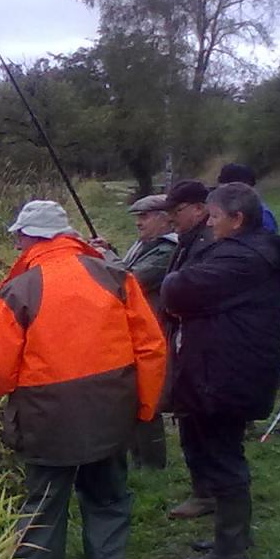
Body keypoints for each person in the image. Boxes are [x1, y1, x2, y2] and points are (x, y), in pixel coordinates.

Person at [0, 201, 166, 559]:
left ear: (32, 238)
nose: (16, 245)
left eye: (19, 237)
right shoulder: (116, 276)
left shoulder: (19, 289)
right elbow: (151, 348)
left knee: (43, 508)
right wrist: (143, 409)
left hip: (47, 419)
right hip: (111, 411)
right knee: (109, 500)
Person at [160, 183, 280, 559]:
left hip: (228, 372)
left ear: (237, 220)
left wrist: (174, 284)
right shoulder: (247, 251)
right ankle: (233, 534)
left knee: (223, 457)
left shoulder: (242, 259)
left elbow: (180, 288)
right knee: (224, 450)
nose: (211, 224)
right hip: (228, 366)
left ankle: (230, 550)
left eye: (215, 217)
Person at [97, 193, 177, 468]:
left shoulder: (167, 250)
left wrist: (105, 256)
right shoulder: (147, 245)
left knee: (150, 396)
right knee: (134, 394)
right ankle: (140, 460)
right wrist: (111, 251)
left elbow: (131, 281)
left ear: (165, 219)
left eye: (144, 217)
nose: (138, 223)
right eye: (137, 217)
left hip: (154, 330)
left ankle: (153, 464)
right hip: (137, 329)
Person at [161, 179, 217, 518]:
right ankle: (205, 490)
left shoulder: (207, 243)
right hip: (185, 337)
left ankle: (209, 493)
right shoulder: (189, 240)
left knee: (199, 417)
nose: (172, 219)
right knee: (187, 413)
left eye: (177, 211)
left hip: (200, 342)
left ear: (200, 208)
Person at [217, 162, 278, 233]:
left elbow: (268, 241)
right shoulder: (225, 210)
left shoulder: (262, 215)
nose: (221, 192)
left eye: (225, 188)